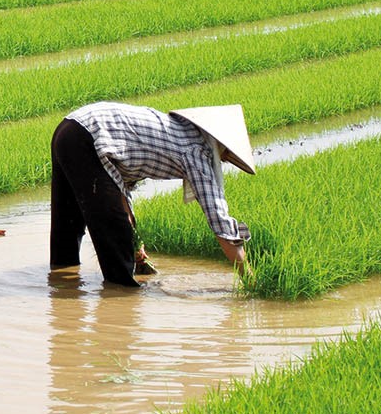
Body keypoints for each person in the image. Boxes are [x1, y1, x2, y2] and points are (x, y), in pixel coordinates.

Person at [50, 102, 255, 286]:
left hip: (69, 129)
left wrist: (136, 243)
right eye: (228, 155)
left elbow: (119, 187)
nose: (226, 159)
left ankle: (60, 287)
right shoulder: (196, 151)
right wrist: (249, 275)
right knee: (115, 238)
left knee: (67, 224)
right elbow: (219, 221)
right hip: (87, 138)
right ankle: (120, 302)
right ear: (221, 143)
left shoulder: (179, 131)